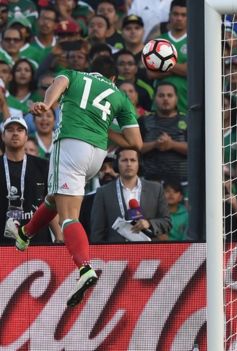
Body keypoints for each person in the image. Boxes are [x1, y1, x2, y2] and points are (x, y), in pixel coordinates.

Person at [4, 55, 143, 307]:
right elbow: (136, 142)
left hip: (70, 143)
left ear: (92, 70)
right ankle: (25, 234)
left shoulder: (75, 75)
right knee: (55, 198)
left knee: (69, 216)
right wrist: (102, 128)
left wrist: (48, 104)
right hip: (97, 155)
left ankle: (84, 267)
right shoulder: (121, 97)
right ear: (113, 78)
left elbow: (57, 84)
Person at [0, 116, 61, 246]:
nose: (15, 133)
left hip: (38, 242)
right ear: (3, 136)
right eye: (10, 130)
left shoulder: (43, 166)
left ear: (27, 136)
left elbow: (51, 203)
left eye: (20, 130)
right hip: (3, 245)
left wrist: (59, 236)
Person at [90, 148, 171, 243]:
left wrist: (149, 223)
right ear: (117, 164)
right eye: (124, 160)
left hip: (148, 251)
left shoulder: (156, 189)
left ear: (139, 163)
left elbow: (166, 222)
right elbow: (97, 232)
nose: (129, 164)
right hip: (116, 253)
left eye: (133, 160)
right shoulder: (103, 192)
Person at [140, 82, 188, 183]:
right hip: (150, 183)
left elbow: (196, 150)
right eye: (161, 95)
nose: (165, 99)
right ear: (154, 98)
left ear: (176, 98)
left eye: (169, 95)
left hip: (182, 184)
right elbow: (134, 148)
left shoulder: (189, 121)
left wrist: (172, 144)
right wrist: (155, 144)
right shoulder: (144, 121)